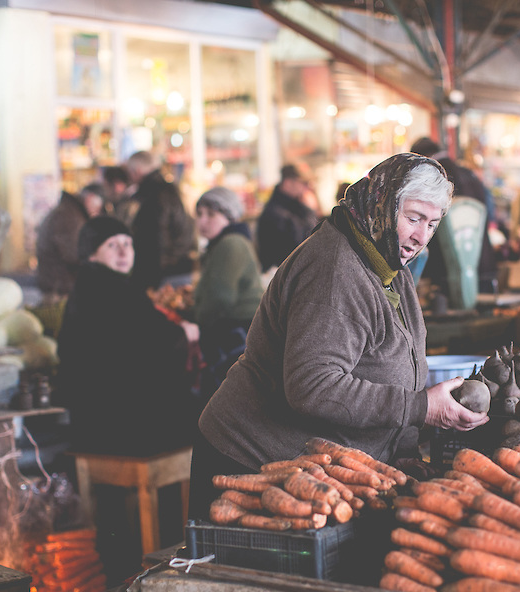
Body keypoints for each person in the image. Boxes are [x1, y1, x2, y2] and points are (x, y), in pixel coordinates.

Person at [189, 154, 489, 517]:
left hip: (315, 472)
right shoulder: (334, 269)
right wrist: (422, 408)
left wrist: (403, 453)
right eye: (413, 218)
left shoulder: (389, 263)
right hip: (252, 463)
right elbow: (312, 385)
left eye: (433, 224)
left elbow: (408, 369)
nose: (421, 236)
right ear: (383, 203)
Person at [56, 216, 199, 456]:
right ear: (91, 254)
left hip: (91, 423)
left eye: (128, 244)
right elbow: (156, 344)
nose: (123, 252)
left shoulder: (88, 287)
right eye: (112, 245)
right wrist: (184, 333)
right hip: (124, 425)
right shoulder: (115, 290)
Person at [192, 186, 264, 399]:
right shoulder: (224, 243)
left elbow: (220, 297)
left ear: (229, 218)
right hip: (235, 327)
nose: (202, 221)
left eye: (211, 214)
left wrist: (197, 321)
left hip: (234, 331)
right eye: (199, 214)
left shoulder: (230, 244)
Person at [408, 137, 498, 292]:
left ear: (420, 158)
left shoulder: (434, 177)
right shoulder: (470, 175)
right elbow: (490, 214)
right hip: (483, 269)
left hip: (446, 277)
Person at [120, 151, 197, 289]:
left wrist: (147, 279)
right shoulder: (171, 189)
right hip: (179, 266)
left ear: (136, 171)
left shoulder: (153, 195)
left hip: (164, 274)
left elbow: (154, 239)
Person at [35, 184, 105, 303]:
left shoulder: (69, 212)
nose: (97, 212)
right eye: (98, 207)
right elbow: (75, 254)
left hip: (59, 287)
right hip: (59, 291)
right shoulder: (68, 217)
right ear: (90, 198)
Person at [255, 164, 319, 271]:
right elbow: (303, 244)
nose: (308, 187)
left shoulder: (292, 206)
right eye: (304, 183)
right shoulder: (276, 213)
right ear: (288, 183)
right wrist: (308, 211)